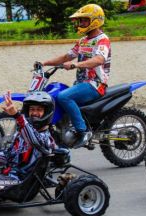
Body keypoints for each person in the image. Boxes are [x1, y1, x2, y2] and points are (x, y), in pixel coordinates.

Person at [39, 4, 111, 148]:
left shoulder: (102, 39)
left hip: (95, 84)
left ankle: (82, 131)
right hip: (81, 83)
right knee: (56, 94)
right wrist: (44, 63)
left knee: (64, 97)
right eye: (80, 21)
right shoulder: (83, 40)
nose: (81, 23)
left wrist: (75, 65)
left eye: (84, 20)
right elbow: (67, 56)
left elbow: (99, 59)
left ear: (95, 20)